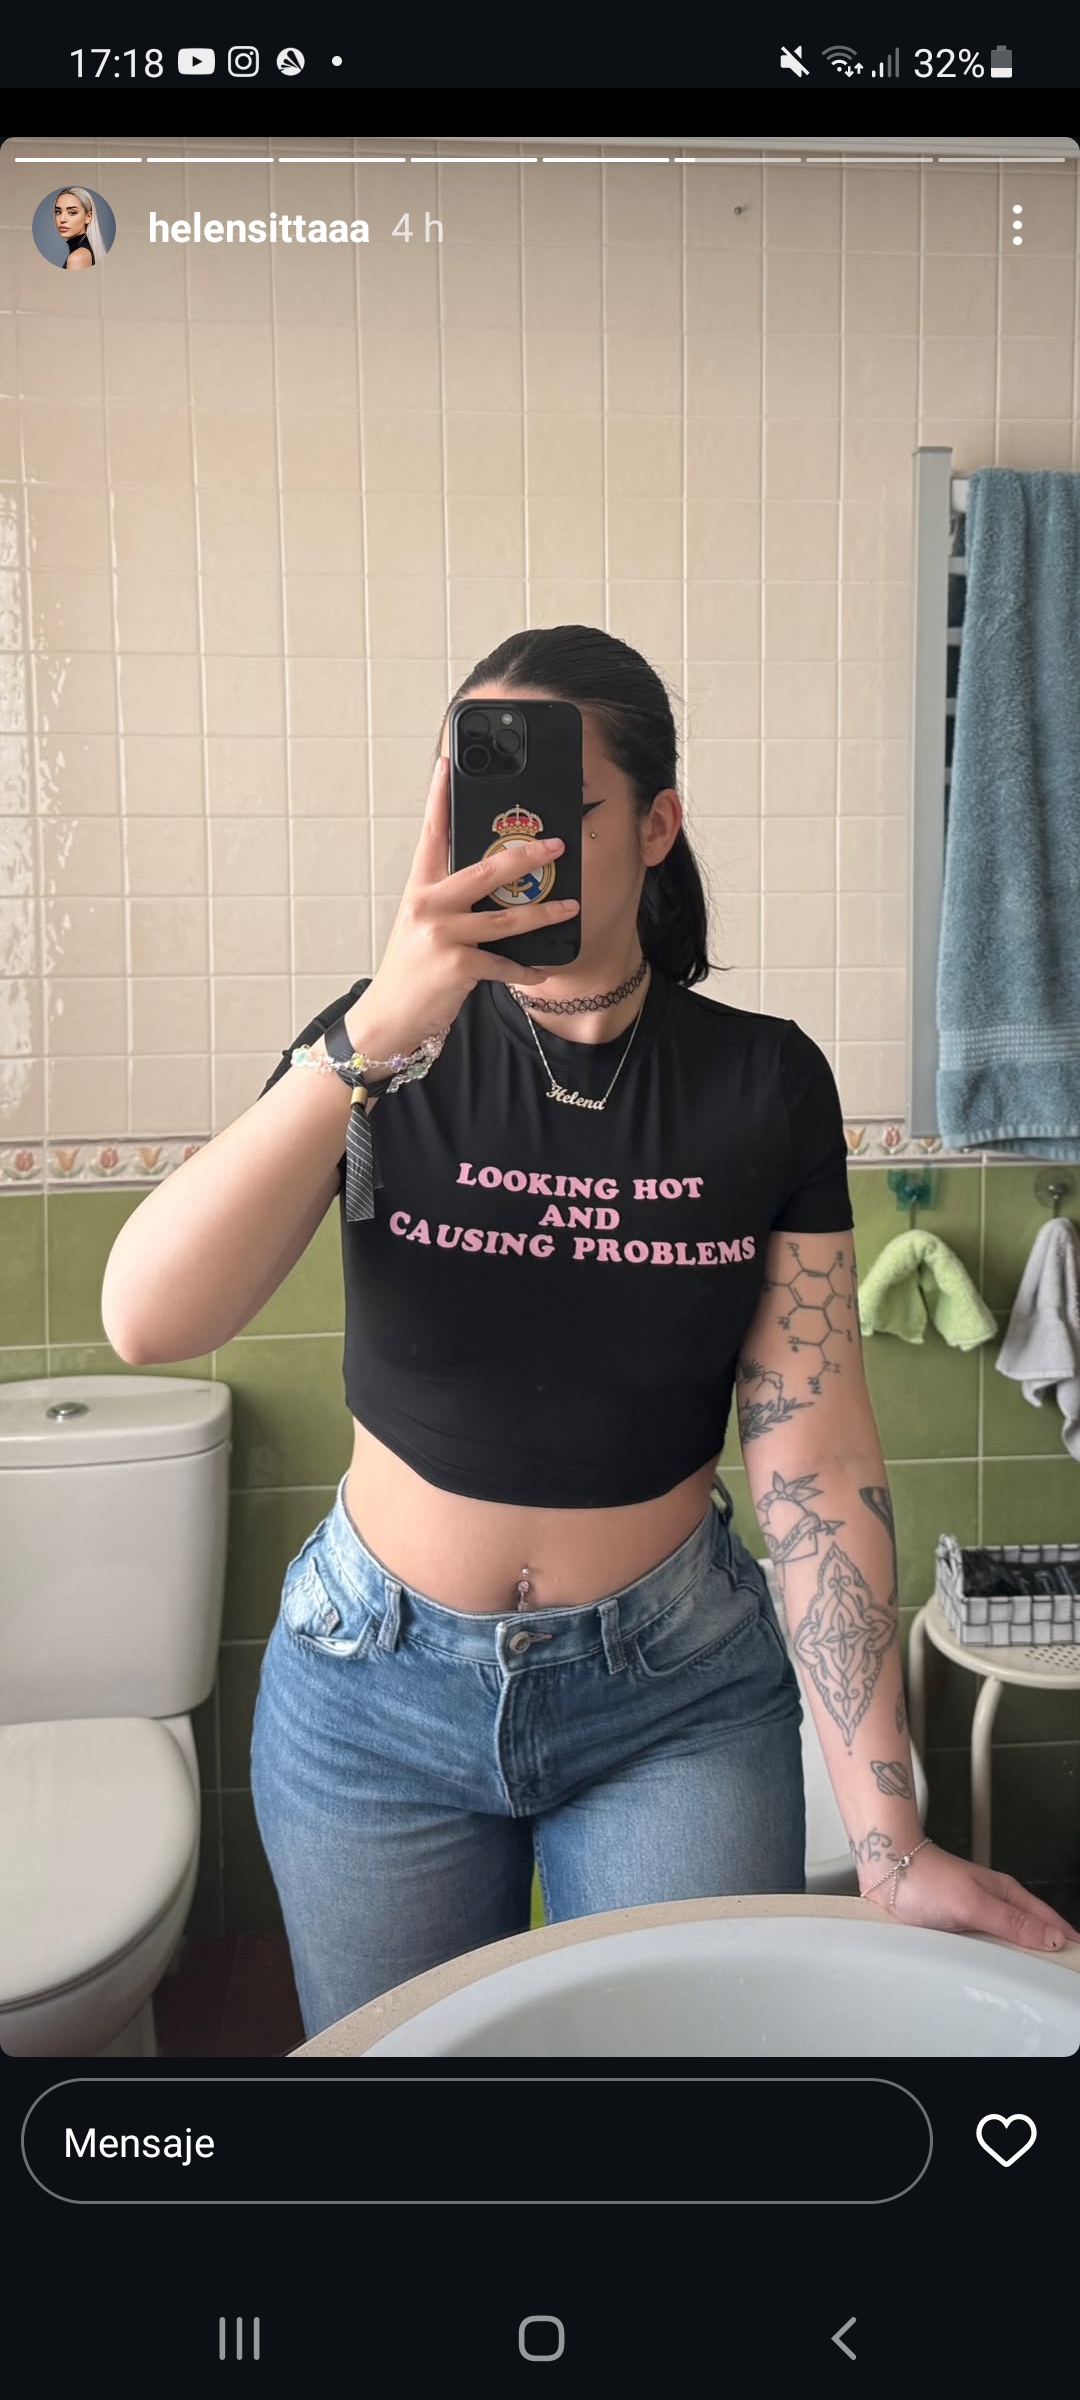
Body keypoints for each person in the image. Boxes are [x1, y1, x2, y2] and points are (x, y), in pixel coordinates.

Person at [101, 625, 1079, 2042]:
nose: (513, 846)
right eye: (479, 806)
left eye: (554, 808)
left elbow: (813, 1455)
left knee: (666, 2126)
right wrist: (377, 1029)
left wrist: (888, 1837)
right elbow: (148, 1319)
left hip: (675, 1700)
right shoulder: (372, 1054)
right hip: (371, 1691)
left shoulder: (765, 1082)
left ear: (658, 826)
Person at [54, 187, 101, 269]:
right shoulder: (85, 251)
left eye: (72, 212)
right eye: (58, 212)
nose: (62, 219)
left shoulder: (77, 258)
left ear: (88, 217)